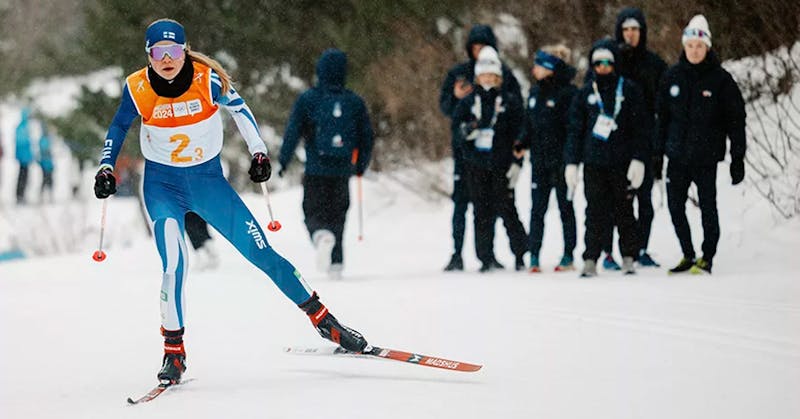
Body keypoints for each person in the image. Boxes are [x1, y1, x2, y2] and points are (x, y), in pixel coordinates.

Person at [93, 19, 368, 386]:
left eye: (174, 51)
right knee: (174, 263)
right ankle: (173, 353)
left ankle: (325, 321)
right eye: (159, 53)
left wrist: (259, 153)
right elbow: (117, 127)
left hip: (208, 184)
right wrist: (106, 167)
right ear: (149, 55)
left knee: (261, 253)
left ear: (185, 51)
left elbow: (241, 110)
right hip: (163, 187)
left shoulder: (206, 80)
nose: (167, 59)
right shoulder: (138, 87)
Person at [655, 15, 746, 275]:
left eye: (699, 45)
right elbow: (661, 118)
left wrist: (737, 157)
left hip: (705, 157)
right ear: (684, 46)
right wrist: (656, 155)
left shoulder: (721, 80)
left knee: (708, 207)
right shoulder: (671, 76)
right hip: (676, 156)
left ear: (707, 47)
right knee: (675, 206)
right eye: (690, 45)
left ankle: (707, 257)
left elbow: (736, 120)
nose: (695, 50)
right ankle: (687, 254)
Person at [278, 48, 374, 280]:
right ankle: (337, 263)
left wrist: (283, 161)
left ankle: (320, 236)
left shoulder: (309, 99)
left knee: (312, 212)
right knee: (338, 214)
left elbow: (293, 132)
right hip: (342, 170)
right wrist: (361, 165)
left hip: (315, 169)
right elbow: (367, 136)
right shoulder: (354, 102)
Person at [439, 24, 523, 271]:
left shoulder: (505, 75)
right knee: (463, 204)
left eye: (483, 47)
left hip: (497, 156)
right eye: (475, 47)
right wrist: (456, 97)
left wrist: (517, 150)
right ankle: (459, 253)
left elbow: (517, 111)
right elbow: (447, 109)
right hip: (468, 155)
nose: (478, 51)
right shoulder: (459, 74)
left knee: (498, 205)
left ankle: (496, 254)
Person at [564, 39, 649, 277]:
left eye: (607, 63)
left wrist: (639, 158)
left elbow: (641, 127)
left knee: (624, 211)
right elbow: (575, 130)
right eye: (597, 63)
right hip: (594, 162)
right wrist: (572, 162)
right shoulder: (585, 94)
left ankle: (629, 256)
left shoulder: (629, 90)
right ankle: (591, 257)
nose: (602, 67)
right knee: (594, 212)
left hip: (621, 162)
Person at [609, 7, 669, 268]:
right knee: (616, 200)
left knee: (644, 199)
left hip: (645, 140)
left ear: (642, 32)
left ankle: (640, 247)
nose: (630, 34)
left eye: (635, 30)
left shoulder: (655, 64)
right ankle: (614, 251)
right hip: (615, 142)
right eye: (626, 29)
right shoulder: (609, 61)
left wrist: (658, 146)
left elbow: (663, 108)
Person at [515, 45, 578, 273]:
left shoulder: (568, 94)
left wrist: (571, 159)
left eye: (539, 66)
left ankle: (568, 254)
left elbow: (572, 128)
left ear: (550, 68)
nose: (534, 70)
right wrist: (522, 143)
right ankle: (534, 255)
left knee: (565, 208)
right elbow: (529, 124)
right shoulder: (534, 93)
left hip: (560, 162)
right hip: (539, 162)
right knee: (537, 209)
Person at [15, 108, 34, 204]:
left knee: (25, 177)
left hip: (26, 158)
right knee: (22, 177)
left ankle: (22, 195)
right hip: (22, 159)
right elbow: (21, 144)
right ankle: (19, 195)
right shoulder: (21, 128)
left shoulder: (26, 127)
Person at [38, 123, 55, 203]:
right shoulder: (43, 139)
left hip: (49, 163)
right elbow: (44, 151)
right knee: (44, 180)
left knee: (50, 180)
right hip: (45, 163)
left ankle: (50, 195)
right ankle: (42, 195)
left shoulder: (49, 138)